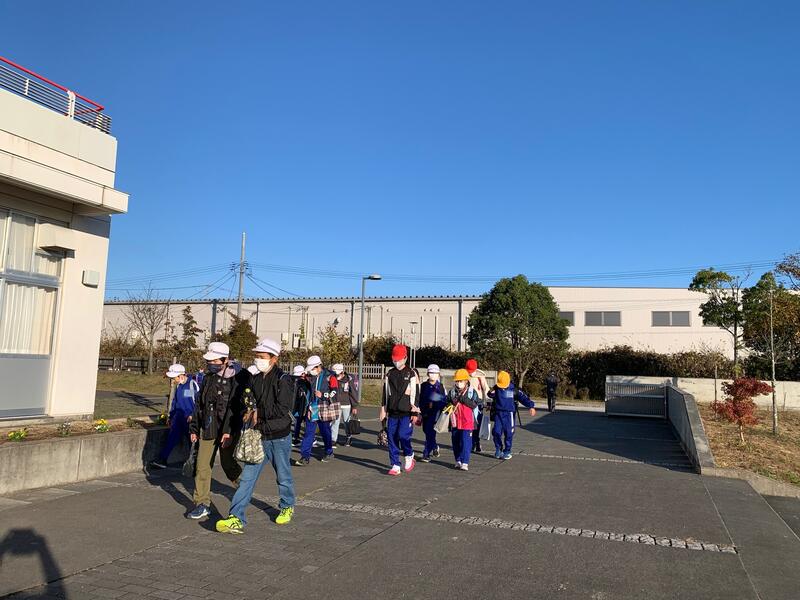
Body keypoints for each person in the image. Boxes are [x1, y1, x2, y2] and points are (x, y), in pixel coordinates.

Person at [216, 339, 296, 534]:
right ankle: (236, 517)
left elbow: (283, 408)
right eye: (257, 356)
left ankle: (287, 506)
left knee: (283, 476)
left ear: (274, 358)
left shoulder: (284, 379)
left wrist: (258, 412)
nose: (258, 360)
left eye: (262, 356)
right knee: (247, 479)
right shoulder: (256, 378)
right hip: (258, 435)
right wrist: (248, 409)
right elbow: (249, 400)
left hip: (279, 436)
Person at [187, 342, 244, 520]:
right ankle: (202, 503)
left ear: (225, 360)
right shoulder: (208, 378)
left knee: (228, 463)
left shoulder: (238, 378)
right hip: (208, 427)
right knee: (202, 465)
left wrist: (228, 430)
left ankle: (244, 487)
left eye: (214, 360)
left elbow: (237, 408)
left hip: (229, 428)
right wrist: (194, 427)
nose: (210, 363)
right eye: (209, 360)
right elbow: (200, 404)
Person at [380, 344, 421, 476]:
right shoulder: (389, 374)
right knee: (392, 438)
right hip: (392, 411)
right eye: (394, 359)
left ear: (405, 358)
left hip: (406, 412)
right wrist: (383, 409)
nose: (396, 362)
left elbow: (416, 394)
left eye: (398, 359)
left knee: (403, 435)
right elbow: (385, 393)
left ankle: (409, 454)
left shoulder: (411, 373)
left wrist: (415, 412)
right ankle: (395, 464)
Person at [149, 364, 198, 469]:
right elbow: (175, 402)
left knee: (192, 441)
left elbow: (198, 402)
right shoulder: (179, 386)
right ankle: (162, 459)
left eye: (173, 378)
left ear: (181, 375)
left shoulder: (192, 385)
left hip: (189, 419)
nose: (172, 380)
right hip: (178, 418)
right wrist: (171, 416)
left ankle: (195, 463)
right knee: (171, 438)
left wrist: (193, 415)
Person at [294, 356, 337, 466]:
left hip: (325, 407)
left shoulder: (330, 376)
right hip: (312, 407)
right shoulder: (310, 377)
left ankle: (329, 451)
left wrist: (323, 395)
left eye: (312, 368)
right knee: (309, 432)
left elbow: (335, 392)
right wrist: (308, 407)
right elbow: (308, 392)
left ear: (318, 366)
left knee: (325, 431)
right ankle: (305, 456)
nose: (311, 371)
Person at [488, 371, 536, 460]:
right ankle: (498, 448)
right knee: (496, 432)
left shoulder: (514, 389)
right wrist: (493, 389)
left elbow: (523, 398)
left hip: (509, 414)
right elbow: (490, 394)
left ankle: (507, 451)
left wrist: (531, 406)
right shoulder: (497, 388)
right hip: (498, 413)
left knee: (509, 433)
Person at [448, 368, 479, 471]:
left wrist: (463, 399)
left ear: (466, 381)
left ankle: (465, 462)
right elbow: (446, 403)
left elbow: (474, 404)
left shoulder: (472, 392)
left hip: (468, 422)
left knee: (466, 442)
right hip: (455, 421)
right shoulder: (452, 392)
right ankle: (458, 460)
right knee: (455, 442)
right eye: (457, 381)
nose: (458, 383)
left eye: (460, 381)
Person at [419, 364, 447, 462]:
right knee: (426, 431)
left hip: (435, 413)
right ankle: (434, 446)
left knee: (430, 432)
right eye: (431, 372)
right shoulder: (423, 386)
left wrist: (436, 404)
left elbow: (444, 400)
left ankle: (426, 453)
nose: (433, 375)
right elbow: (420, 399)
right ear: (427, 373)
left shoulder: (441, 386)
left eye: (435, 373)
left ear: (438, 374)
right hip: (425, 412)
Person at [330, 363, 359, 447]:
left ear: (342, 372)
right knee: (335, 422)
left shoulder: (349, 380)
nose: (336, 375)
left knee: (347, 422)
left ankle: (349, 437)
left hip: (347, 405)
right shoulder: (332, 379)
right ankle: (333, 440)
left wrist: (354, 406)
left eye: (338, 373)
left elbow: (353, 393)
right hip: (336, 404)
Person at [466, 358, 490, 454]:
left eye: (472, 371)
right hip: (467, 402)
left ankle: (477, 442)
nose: (471, 373)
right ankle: (471, 443)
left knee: (477, 423)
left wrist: (489, 402)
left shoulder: (480, 377)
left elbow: (486, 389)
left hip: (478, 402)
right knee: (469, 423)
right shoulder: (465, 375)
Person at [291, 365, 309, 446]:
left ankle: (295, 438)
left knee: (296, 422)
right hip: (301, 406)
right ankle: (297, 438)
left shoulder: (291, 380)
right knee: (302, 422)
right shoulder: (303, 383)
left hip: (293, 406)